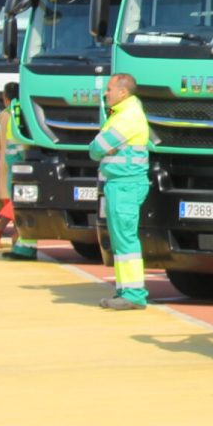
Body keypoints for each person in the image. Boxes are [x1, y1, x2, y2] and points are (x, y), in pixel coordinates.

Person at [90, 74, 151, 309]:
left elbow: (97, 148)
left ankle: (134, 294)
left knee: (125, 239)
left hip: (125, 183)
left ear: (123, 92)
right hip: (120, 183)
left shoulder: (128, 117)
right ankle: (126, 290)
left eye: (109, 89)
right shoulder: (124, 114)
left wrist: (100, 148)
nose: (106, 93)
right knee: (120, 239)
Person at [0, 85, 37, 259]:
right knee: (19, 202)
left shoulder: (7, 114)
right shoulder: (26, 111)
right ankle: (19, 244)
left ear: (6, 98)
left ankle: (4, 233)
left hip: (11, 164)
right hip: (21, 161)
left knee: (16, 201)